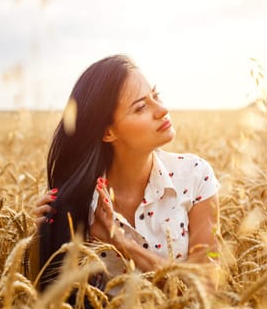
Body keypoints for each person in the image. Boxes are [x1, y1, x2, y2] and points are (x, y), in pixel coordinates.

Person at [29, 54, 220, 292]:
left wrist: (120, 243)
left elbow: (208, 286)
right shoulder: (77, 207)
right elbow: (56, 302)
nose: (162, 109)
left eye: (156, 95)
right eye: (141, 107)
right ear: (108, 132)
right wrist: (39, 242)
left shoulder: (194, 177)